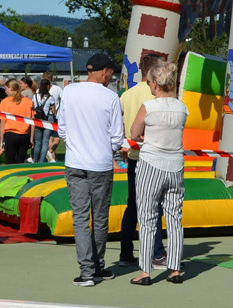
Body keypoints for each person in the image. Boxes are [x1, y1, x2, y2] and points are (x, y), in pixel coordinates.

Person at [58, 53, 127, 287]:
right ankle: (97, 266)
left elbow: (62, 129)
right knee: (99, 218)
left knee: (80, 218)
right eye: (111, 73)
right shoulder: (110, 97)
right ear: (105, 71)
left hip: (75, 162)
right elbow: (117, 137)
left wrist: (77, 145)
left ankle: (86, 271)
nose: (111, 77)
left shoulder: (69, 91)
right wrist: (104, 148)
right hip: (100, 164)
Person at [129, 62, 188, 285]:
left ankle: (145, 271)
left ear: (154, 83)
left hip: (151, 163)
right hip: (176, 165)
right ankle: (174, 269)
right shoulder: (182, 108)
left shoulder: (149, 106)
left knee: (147, 218)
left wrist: (146, 137)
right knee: (174, 219)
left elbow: (134, 133)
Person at [117, 54, 167, 270]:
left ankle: (126, 251)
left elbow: (119, 125)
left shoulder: (126, 96)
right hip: (154, 155)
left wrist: (124, 146)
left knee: (133, 206)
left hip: (135, 157)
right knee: (154, 206)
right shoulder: (157, 94)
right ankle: (157, 252)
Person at [0, 79, 34, 164]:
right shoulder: (28, 101)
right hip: (24, 136)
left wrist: (1, 140)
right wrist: (31, 138)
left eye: (6, 88)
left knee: (10, 162)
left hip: (11, 135)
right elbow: (32, 122)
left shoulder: (5, 102)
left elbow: (2, 122)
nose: (5, 91)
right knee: (20, 163)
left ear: (11, 88)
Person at [31, 78, 57, 163]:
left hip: (38, 119)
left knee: (38, 142)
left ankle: (35, 160)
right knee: (45, 142)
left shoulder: (35, 96)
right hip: (48, 118)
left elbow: (32, 107)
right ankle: (42, 161)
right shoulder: (50, 97)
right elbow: (53, 111)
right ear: (47, 86)